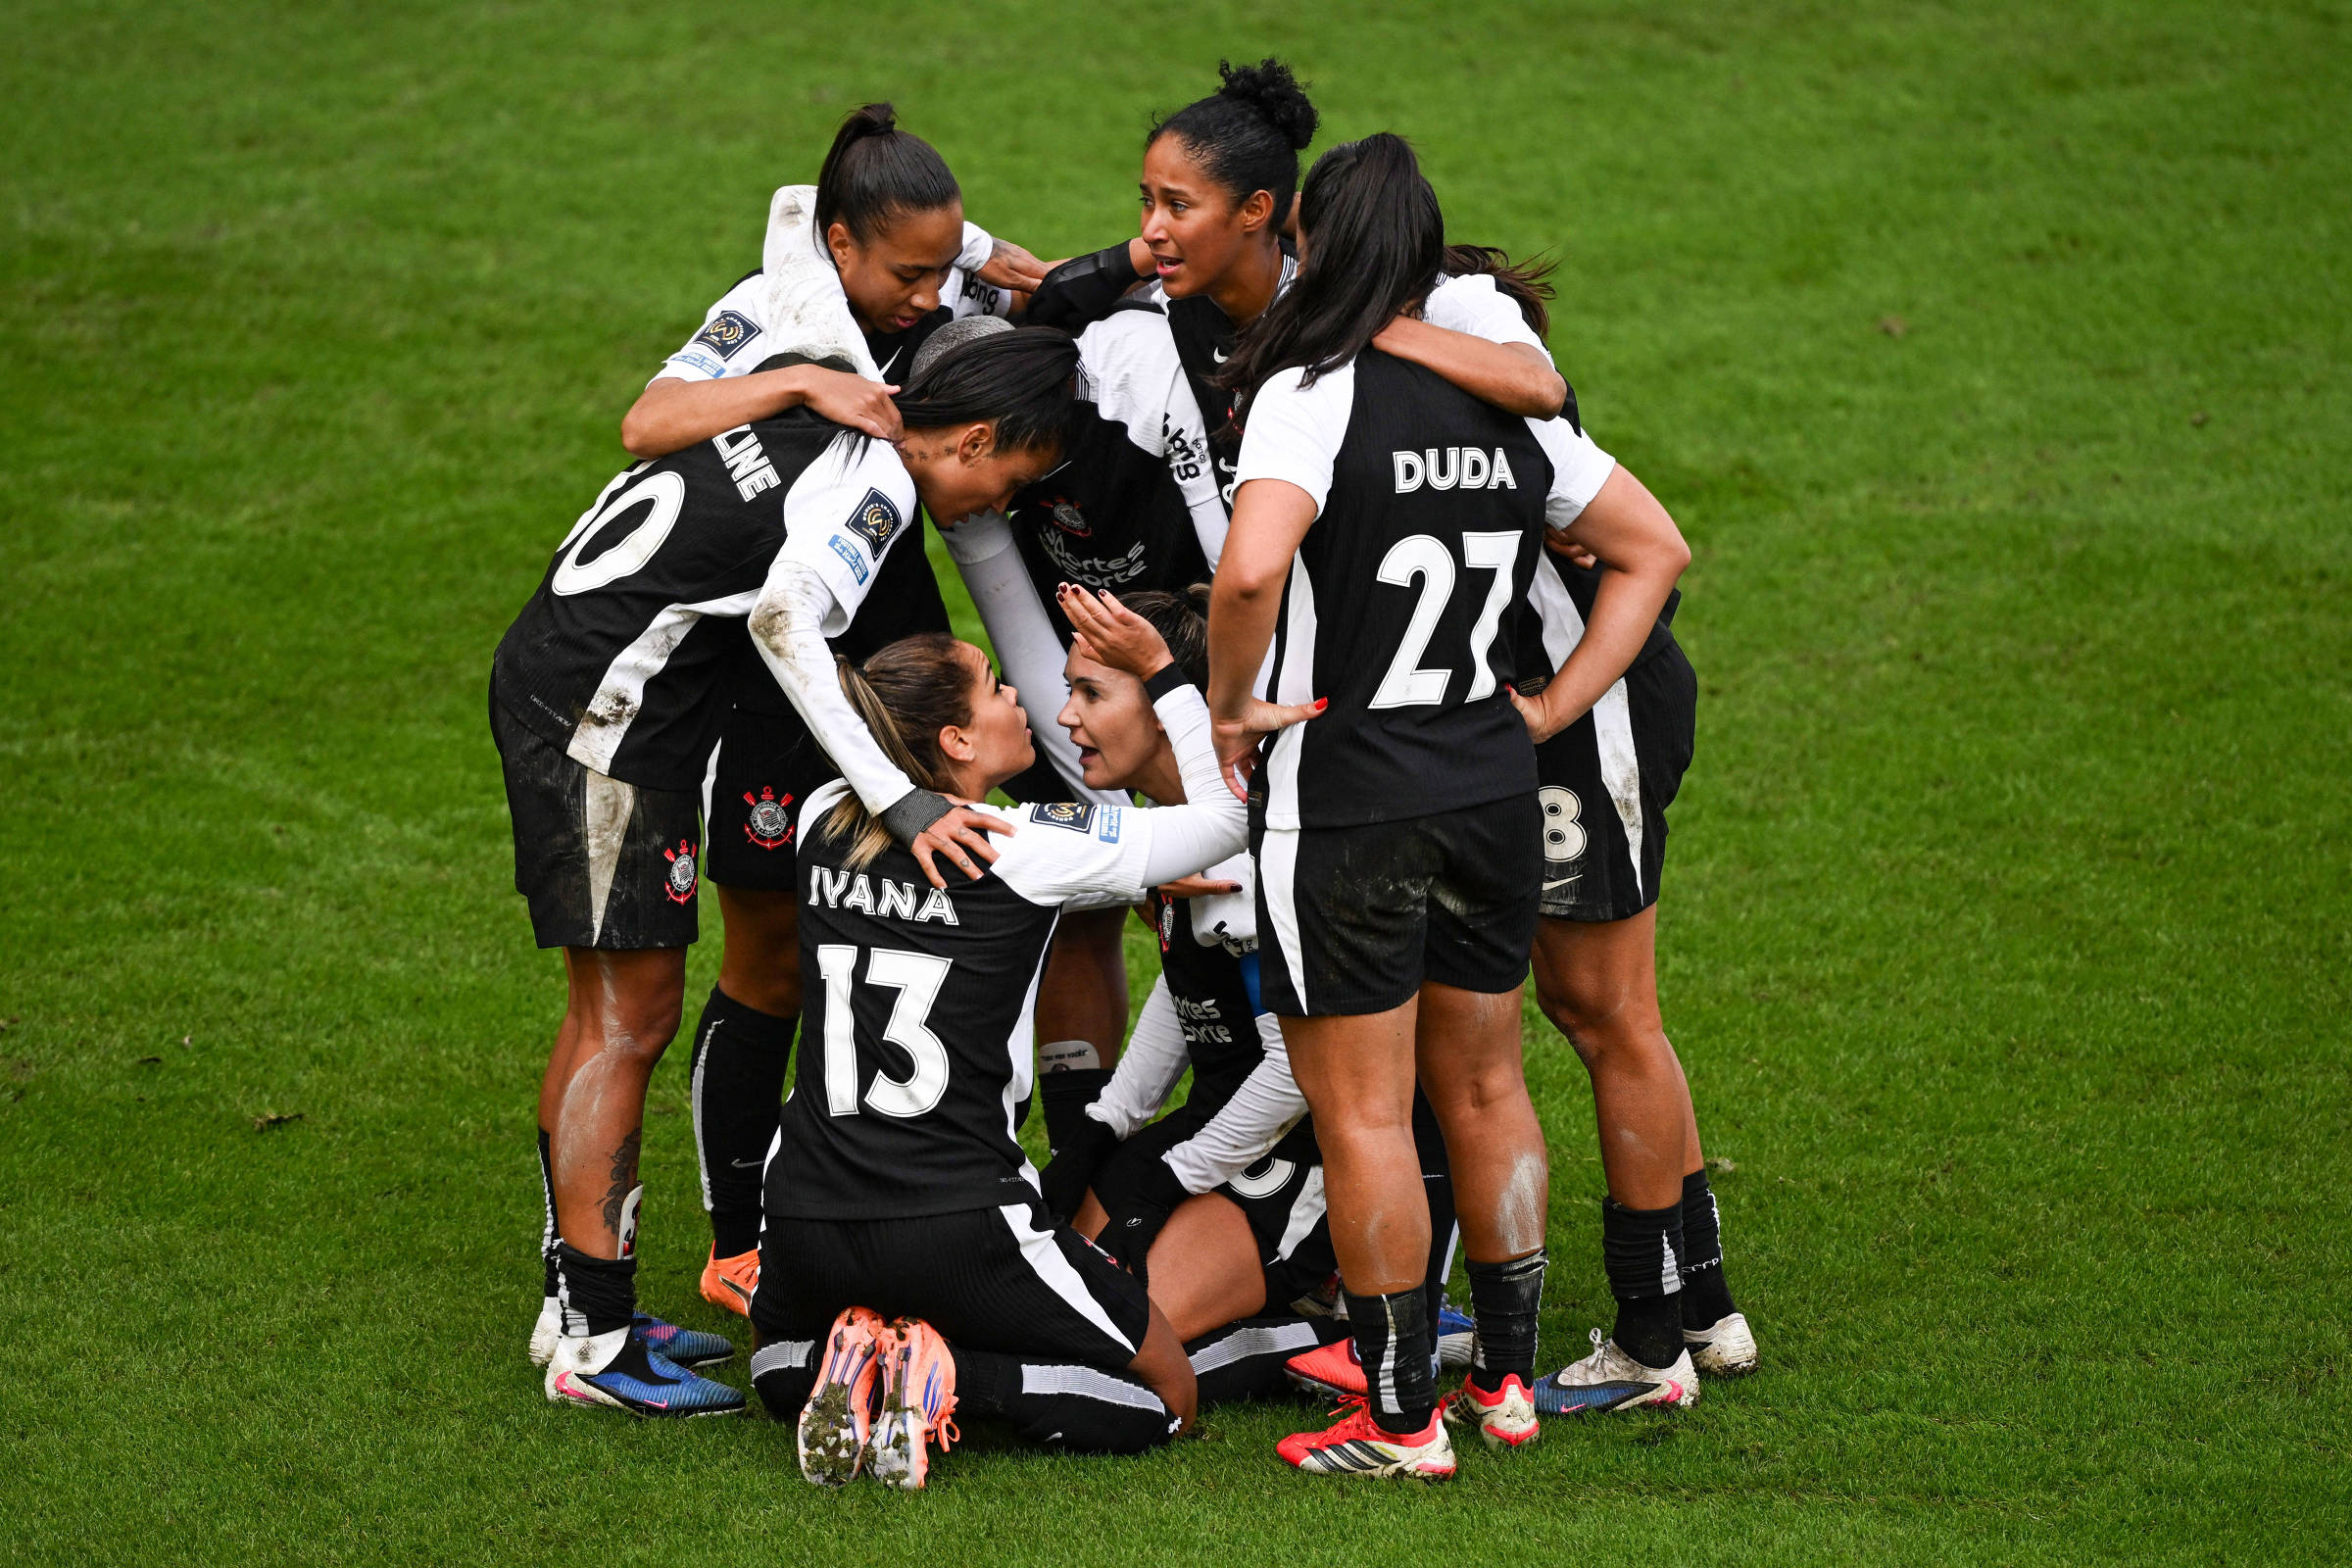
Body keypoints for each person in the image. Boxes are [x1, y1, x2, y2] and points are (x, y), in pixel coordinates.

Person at [952, 61, 1568, 1157]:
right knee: (1350, 1007)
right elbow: (1230, 554)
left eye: (1173, 206)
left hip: (1408, 696)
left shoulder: (1404, 312)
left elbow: (1535, 394)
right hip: (1338, 708)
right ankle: (1173, 1168)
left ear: (1267, 215)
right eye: (1144, 203)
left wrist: (1217, 724)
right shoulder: (1152, 338)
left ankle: (1352, 1240)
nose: (1150, 230)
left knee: (1420, 1016)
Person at [1206, 134, 1691, 1478]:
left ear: (1311, 243)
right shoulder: (1507, 398)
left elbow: (1251, 574)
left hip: (1350, 800)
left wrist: (1232, 701)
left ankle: (1399, 1416)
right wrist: (1553, 705)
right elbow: (1655, 549)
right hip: (1491, 786)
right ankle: (1513, 1386)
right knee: (1485, 1086)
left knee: (1364, 1113)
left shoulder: (1311, 393)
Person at [492, 327, 1080, 1416]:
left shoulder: (826, 414)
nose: (993, 506)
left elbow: (798, 218)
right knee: (625, 1019)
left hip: (592, 691)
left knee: (611, 1013)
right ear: (981, 437)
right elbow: (782, 617)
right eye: (1010, 478)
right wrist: (900, 795)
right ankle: (590, 1341)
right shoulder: (879, 485)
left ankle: (581, 1309)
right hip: (601, 717)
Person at [602, 104, 1115, 1320]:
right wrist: (799, 383)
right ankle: (741, 1238)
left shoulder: (930, 290)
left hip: (886, 599)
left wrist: (984, 260)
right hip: (782, 637)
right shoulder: (776, 307)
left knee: (1016, 867)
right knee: (772, 944)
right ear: (838, 246)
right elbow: (645, 424)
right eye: (907, 272)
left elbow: (937, 244)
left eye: (943, 267)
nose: (926, 294)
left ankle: (997, 1178)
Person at [746, 624, 1320, 1487]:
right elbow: (1231, 817)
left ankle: (853, 1356)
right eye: (992, 686)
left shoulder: (817, 822)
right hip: (961, 1218)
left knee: (774, 1367)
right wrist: (1165, 675)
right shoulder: (1026, 850)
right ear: (958, 741)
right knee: (1168, 1396)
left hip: (801, 1216)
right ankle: (950, 1372)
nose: (1020, 697)